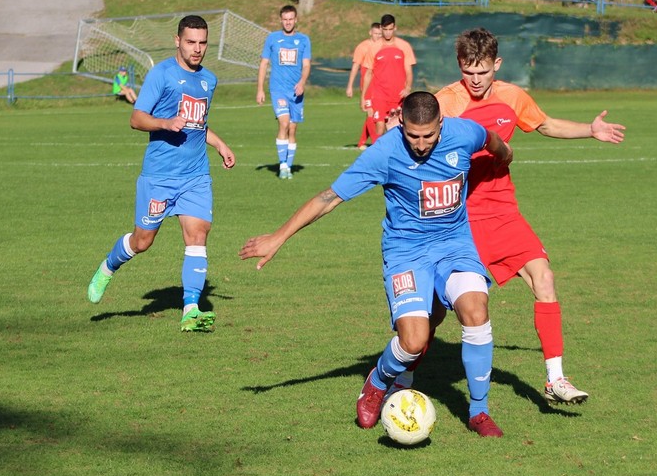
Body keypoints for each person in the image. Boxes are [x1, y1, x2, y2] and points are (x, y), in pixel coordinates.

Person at [239, 92, 514, 437]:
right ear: (401, 123)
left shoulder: (465, 132)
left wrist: (504, 156)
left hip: (454, 245)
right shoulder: (384, 152)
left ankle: (479, 411)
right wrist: (279, 236)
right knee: (413, 342)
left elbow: (491, 139)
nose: (421, 144)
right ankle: (378, 380)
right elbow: (329, 198)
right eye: (413, 135)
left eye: (429, 135)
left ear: (441, 124)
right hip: (406, 251)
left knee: (476, 311)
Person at [391, 27, 626, 405]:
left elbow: (545, 124)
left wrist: (590, 130)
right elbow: (413, 139)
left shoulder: (513, 97)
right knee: (434, 313)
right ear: (459, 66)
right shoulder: (447, 102)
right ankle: (403, 374)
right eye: (468, 71)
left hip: (503, 211)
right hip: (458, 220)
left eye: (483, 71)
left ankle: (556, 378)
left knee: (544, 277)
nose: (476, 79)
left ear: (496, 65)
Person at [87, 15, 237, 332]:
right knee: (143, 242)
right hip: (159, 176)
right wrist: (165, 123)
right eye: (191, 42)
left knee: (198, 235)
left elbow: (199, 124)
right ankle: (108, 266)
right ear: (177, 41)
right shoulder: (162, 75)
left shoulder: (209, 80)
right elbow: (137, 118)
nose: (197, 49)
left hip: (196, 176)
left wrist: (220, 144)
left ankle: (191, 310)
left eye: (202, 43)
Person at [256, 5, 312, 180]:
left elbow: (307, 65)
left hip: (296, 92)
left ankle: (288, 165)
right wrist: (260, 89)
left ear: (296, 20)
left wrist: (302, 82)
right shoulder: (272, 39)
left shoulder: (304, 40)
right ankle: (282, 165)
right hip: (278, 89)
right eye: (285, 19)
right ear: (281, 20)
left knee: (293, 130)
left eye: (291, 19)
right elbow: (264, 64)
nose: (288, 22)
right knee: (284, 124)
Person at [361, 14, 415, 141]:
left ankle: (395, 153)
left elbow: (409, 71)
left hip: (398, 95)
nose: (388, 33)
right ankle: (380, 156)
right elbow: (368, 73)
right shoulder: (374, 48)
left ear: (395, 28)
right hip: (380, 94)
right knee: (379, 126)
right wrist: (363, 97)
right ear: (381, 28)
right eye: (385, 30)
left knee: (396, 127)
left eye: (390, 29)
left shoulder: (404, 46)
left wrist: (408, 87)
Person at [345, 22, 383, 149]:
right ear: (370, 33)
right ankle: (376, 142)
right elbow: (356, 66)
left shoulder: (383, 45)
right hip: (368, 85)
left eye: (380, 33)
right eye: (376, 33)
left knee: (375, 113)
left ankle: (362, 142)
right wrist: (350, 85)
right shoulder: (363, 47)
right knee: (371, 112)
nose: (378, 36)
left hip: (380, 85)